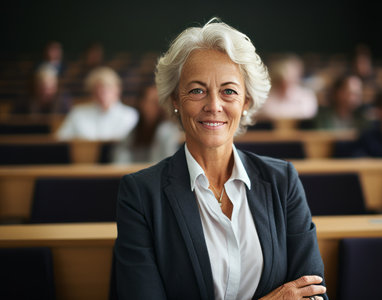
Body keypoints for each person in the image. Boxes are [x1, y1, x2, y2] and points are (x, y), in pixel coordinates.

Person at [114, 18, 327, 300]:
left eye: (228, 91)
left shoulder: (283, 181)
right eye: (197, 90)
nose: (214, 105)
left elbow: (313, 293)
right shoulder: (140, 194)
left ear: (246, 101)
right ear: (176, 100)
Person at [56, 66, 138, 140]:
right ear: (91, 92)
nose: (102, 94)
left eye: (107, 89)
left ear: (117, 90)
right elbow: (60, 140)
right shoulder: (78, 113)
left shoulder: (130, 115)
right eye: (97, 90)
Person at [112, 84, 181, 163]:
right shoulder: (134, 132)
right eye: (151, 102)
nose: (155, 106)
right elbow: (120, 158)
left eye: (157, 102)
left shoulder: (167, 131)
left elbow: (164, 165)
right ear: (141, 103)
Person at [258, 53, 318, 120]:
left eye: (290, 80)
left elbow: (307, 115)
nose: (285, 84)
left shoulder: (307, 96)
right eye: (280, 80)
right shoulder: (264, 97)